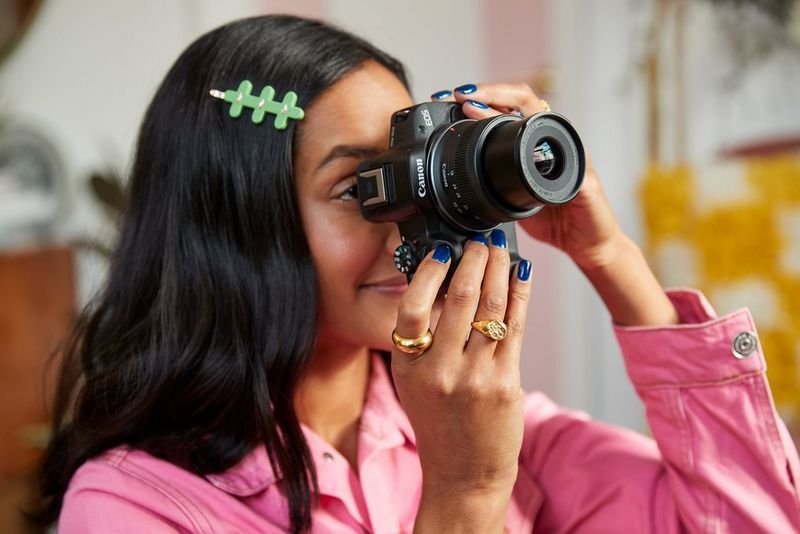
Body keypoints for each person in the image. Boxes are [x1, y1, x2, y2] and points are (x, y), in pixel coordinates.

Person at [32, 14, 799, 533]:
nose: (412, 217)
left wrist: (610, 257)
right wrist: (465, 497)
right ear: (233, 222)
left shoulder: (492, 429)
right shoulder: (132, 504)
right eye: (362, 187)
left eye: (413, 173)